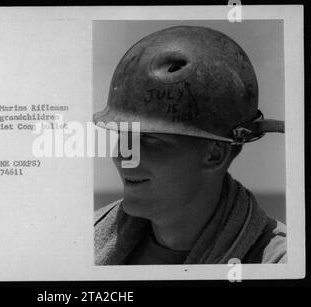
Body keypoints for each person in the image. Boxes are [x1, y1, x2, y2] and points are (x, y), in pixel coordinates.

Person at [93, 25, 286, 265]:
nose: (122, 155)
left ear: (214, 154)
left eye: (150, 139)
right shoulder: (84, 243)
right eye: (124, 135)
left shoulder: (279, 263)